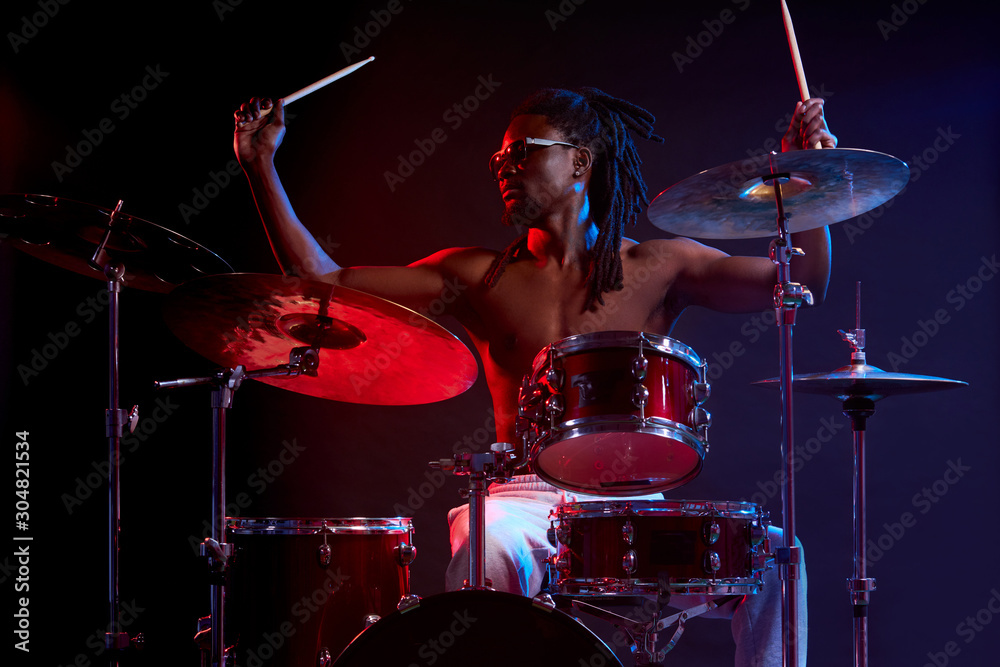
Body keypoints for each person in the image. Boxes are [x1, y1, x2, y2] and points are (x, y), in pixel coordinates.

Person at [234, 87, 836, 666]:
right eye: (499, 155)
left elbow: (799, 280)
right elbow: (323, 279)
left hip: (629, 505)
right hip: (521, 500)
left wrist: (808, 179)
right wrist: (260, 165)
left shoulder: (662, 264)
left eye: (522, 151)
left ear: (579, 161)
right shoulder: (476, 276)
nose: (504, 165)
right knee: (489, 544)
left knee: (779, 555)